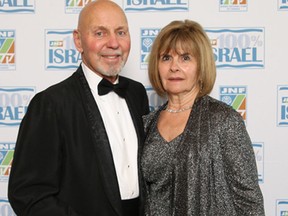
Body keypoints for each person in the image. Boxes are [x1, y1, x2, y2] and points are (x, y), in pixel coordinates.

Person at [8, 1, 150, 215]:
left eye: (121, 32)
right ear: (78, 40)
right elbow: (28, 194)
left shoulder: (136, 93)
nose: (113, 43)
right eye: (100, 33)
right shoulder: (50, 104)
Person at [141, 19, 265, 215]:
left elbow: (249, 201)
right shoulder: (147, 124)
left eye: (185, 58)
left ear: (201, 67)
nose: (174, 67)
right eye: (166, 58)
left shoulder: (224, 120)